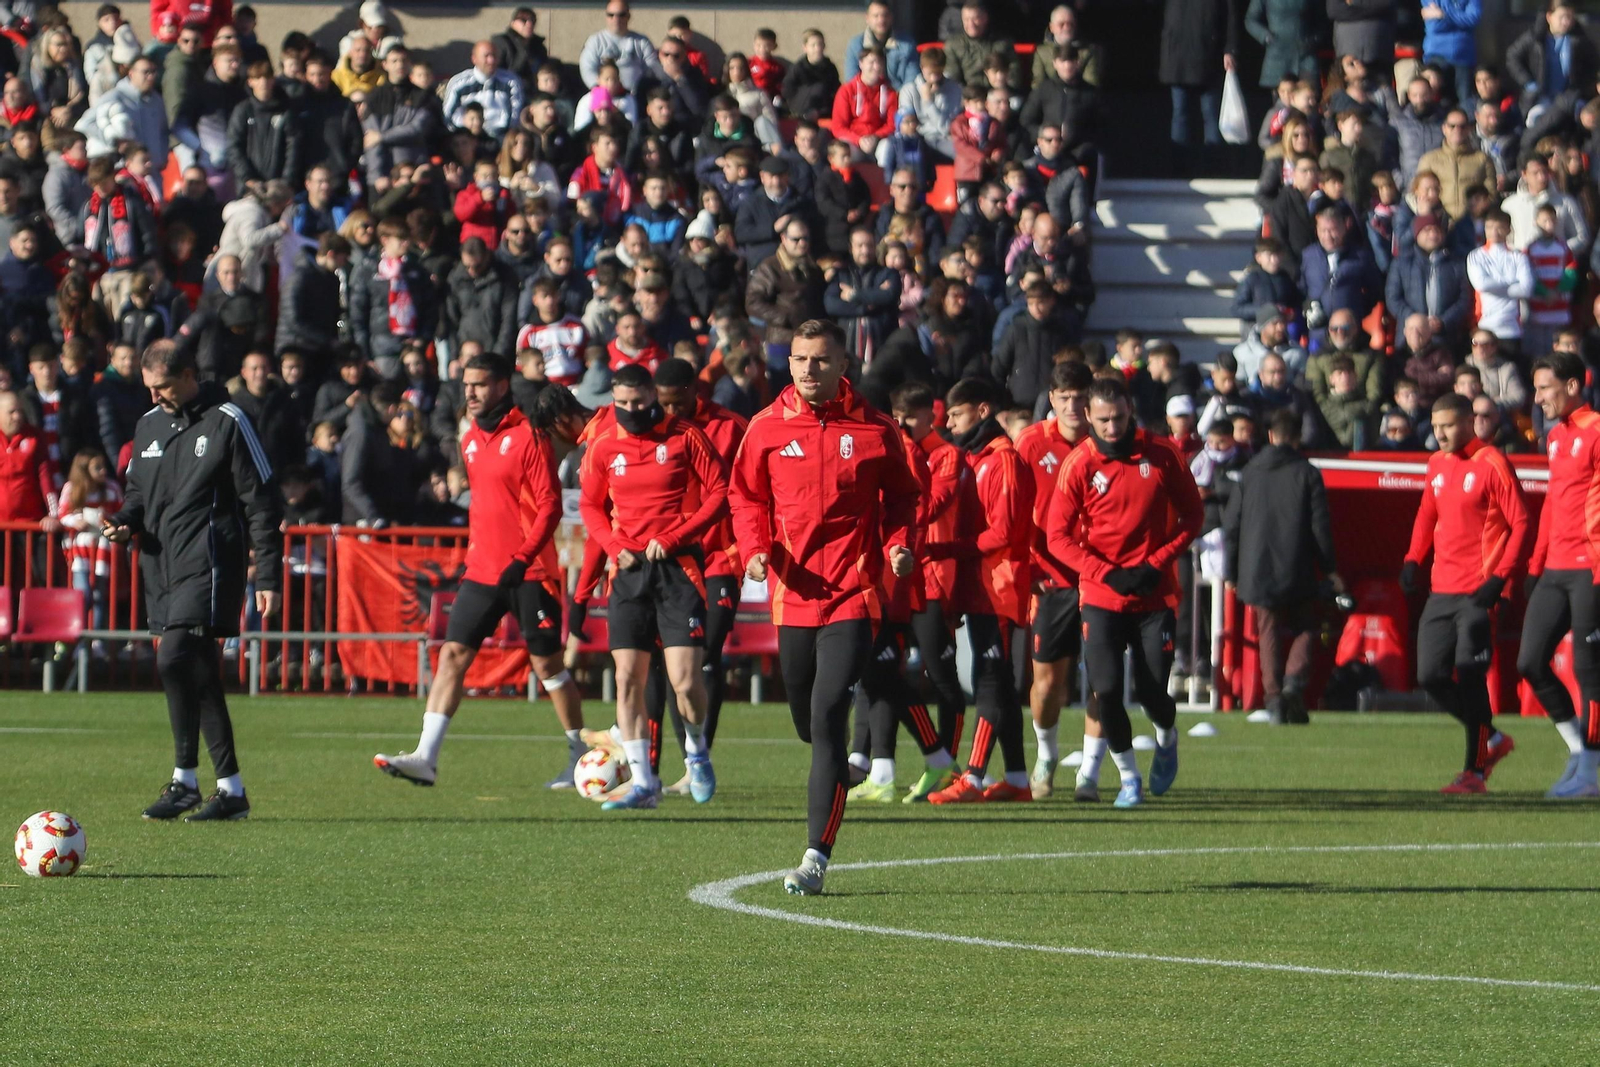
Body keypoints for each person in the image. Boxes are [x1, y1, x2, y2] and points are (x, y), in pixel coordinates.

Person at [729, 319, 919, 894]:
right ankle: (838, 768)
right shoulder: (764, 428)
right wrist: (755, 551)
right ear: (788, 364)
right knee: (808, 721)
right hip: (792, 595)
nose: (809, 369)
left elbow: (906, 497)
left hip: (854, 592)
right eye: (800, 359)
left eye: (821, 359)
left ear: (843, 364)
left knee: (830, 711)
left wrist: (898, 544)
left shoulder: (876, 429)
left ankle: (815, 857)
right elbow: (745, 496)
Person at [374, 352, 588, 790]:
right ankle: (425, 757)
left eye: (480, 384)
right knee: (452, 654)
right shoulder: (470, 438)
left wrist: (523, 557)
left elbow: (549, 506)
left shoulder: (529, 435)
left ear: (502, 386)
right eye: (466, 385)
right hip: (483, 571)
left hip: (528, 572)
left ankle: (579, 755)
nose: (470, 392)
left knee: (547, 665)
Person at [103, 339, 280, 822]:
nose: (154, 397)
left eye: (161, 387)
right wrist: (125, 521)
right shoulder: (147, 427)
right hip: (160, 567)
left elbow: (262, 502)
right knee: (195, 669)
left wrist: (267, 572)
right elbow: (138, 493)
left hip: (208, 565)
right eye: (149, 388)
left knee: (176, 655)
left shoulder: (228, 420)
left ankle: (188, 777)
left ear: (187, 376)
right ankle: (225, 788)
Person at [1046, 376, 1201, 807]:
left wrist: (1157, 562)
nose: (1111, 428)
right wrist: (1104, 572)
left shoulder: (1163, 454)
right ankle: (1129, 776)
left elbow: (1192, 516)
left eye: (1117, 418)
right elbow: (1055, 535)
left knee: (1154, 694)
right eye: (1102, 420)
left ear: (1130, 409)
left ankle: (1167, 737)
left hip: (1154, 597)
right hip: (1102, 596)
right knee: (1107, 690)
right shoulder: (1079, 464)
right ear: (1089, 418)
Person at [579, 363, 729, 810]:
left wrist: (676, 536)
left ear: (653, 398)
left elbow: (720, 491)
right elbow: (589, 503)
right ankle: (644, 784)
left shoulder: (684, 435)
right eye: (620, 404)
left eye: (638, 404)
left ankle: (697, 751)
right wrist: (611, 544)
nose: (629, 412)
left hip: (677, 569)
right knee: (628, 679)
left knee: (684, 681)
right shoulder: (605, 444)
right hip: (627, 571)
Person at [1401, 392, 1528, 793]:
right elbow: (1427, 513)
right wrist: (1412, 558)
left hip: (1478, 591)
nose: (1440, 434)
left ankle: (1474, 772)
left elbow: (1522, 522)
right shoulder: (1436, 464)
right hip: (1442, 589)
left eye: (1448, 426)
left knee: (1472, 677)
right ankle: (1491, 737)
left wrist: (1499, 579)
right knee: (1431, 675)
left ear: (1469, 422)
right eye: (1435, 427)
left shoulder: (1492, 463)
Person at [925, 378, 1033, 804]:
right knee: (1000, 683)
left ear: (983, 411)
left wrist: (947, 549)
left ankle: (973, 776)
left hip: (999, 587)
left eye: (956, 414)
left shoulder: (1003, 460)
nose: (949, 424)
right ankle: (1019, 780)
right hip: (981, 585)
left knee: (988, 679)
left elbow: (1003, 532)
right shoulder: (977, 458)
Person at [1224, 407, 1340, 725]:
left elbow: (1231, 526)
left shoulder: (1249, 472)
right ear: (1298, 437)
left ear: (1271, 436)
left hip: (1255, 567)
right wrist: (1329, 568)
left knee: (1268, 630)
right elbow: (1321, 528)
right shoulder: (1307, 473)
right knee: (1306, 626)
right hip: (1297, 565)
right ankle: (1294, 683)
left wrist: (1231, 572)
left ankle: (1274, 698)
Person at [1519, 353, 1600, 798]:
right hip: (1555, 568)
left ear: (1572, 386)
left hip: (1592, 567)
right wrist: (1536, 564)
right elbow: (1553, 502)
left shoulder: (1596, 431)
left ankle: (1589, 773)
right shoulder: (1553, 437)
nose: (1538, 398)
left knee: (1591, 672)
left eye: (1545, 388)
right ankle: (1580, 755)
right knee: (1530, 661)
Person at [1013, 360, 1095, 799]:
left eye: (1081, 398)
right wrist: (1027, 566)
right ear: (1051, 399)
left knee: (1102, 678)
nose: (1073, 406)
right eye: (1064, 398)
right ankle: (1046, 754)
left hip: (1101, 579)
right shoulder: (1030, 443)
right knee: (1048, 683)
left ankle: (1092, 771)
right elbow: (1014, 511)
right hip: (1052, 579)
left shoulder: (1107, 439)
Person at [442, 40, 523, 140]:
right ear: (474, 59)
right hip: (467, 139)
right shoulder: (459, 83)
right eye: (486, 56)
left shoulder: (511, 81)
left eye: (494, 56)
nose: (491, 61)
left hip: (500, 138)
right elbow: (449, 117)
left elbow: (515, 116)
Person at [579, 2, 662, 92]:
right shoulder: (595, 41)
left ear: (628, 16)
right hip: (604, 98)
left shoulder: (642, 41)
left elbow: (652, 67)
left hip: (636, 97)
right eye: (611, 15)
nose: (616, 19)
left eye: (621, 15)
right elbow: (587, 68)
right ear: (606, 17)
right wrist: (599, 90)